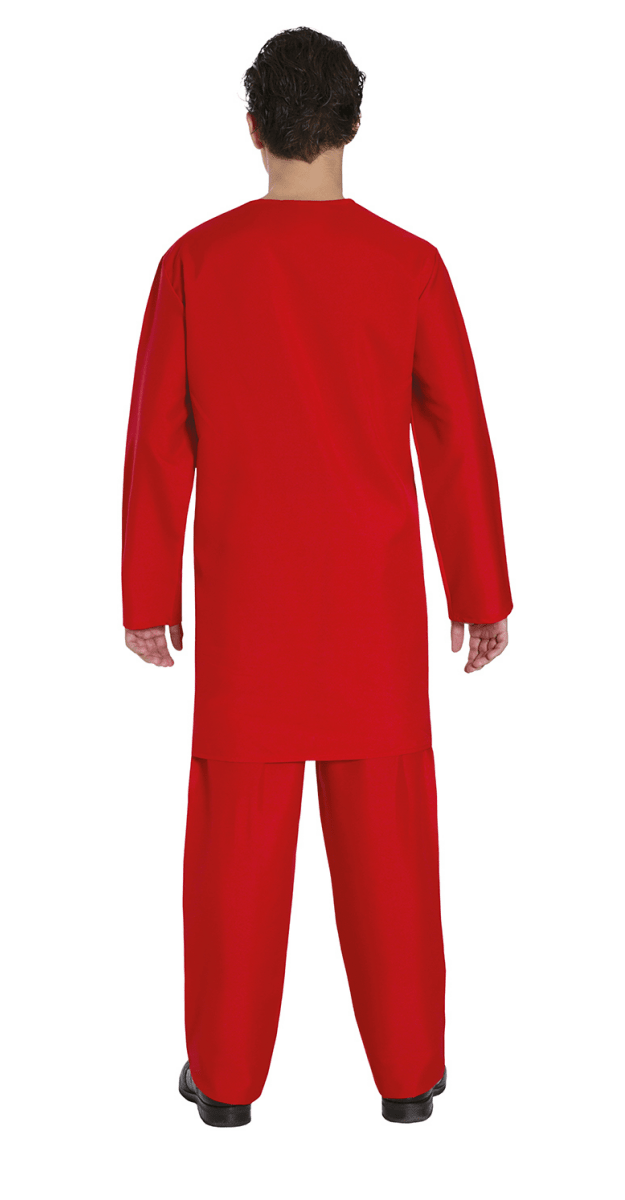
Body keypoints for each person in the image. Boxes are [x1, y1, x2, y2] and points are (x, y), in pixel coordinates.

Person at [121, 26, 512, 1128]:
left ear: (252, 129)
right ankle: (408, 1077)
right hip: (370, 619)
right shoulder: (409, 265)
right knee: (390, 850)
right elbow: (457, 434)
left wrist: (148, 597)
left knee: (235, 858)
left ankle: (225, 1084)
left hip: (250, 616)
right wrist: (478, 592)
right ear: (354, 125)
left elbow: (157, 439)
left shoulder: (196, 263)